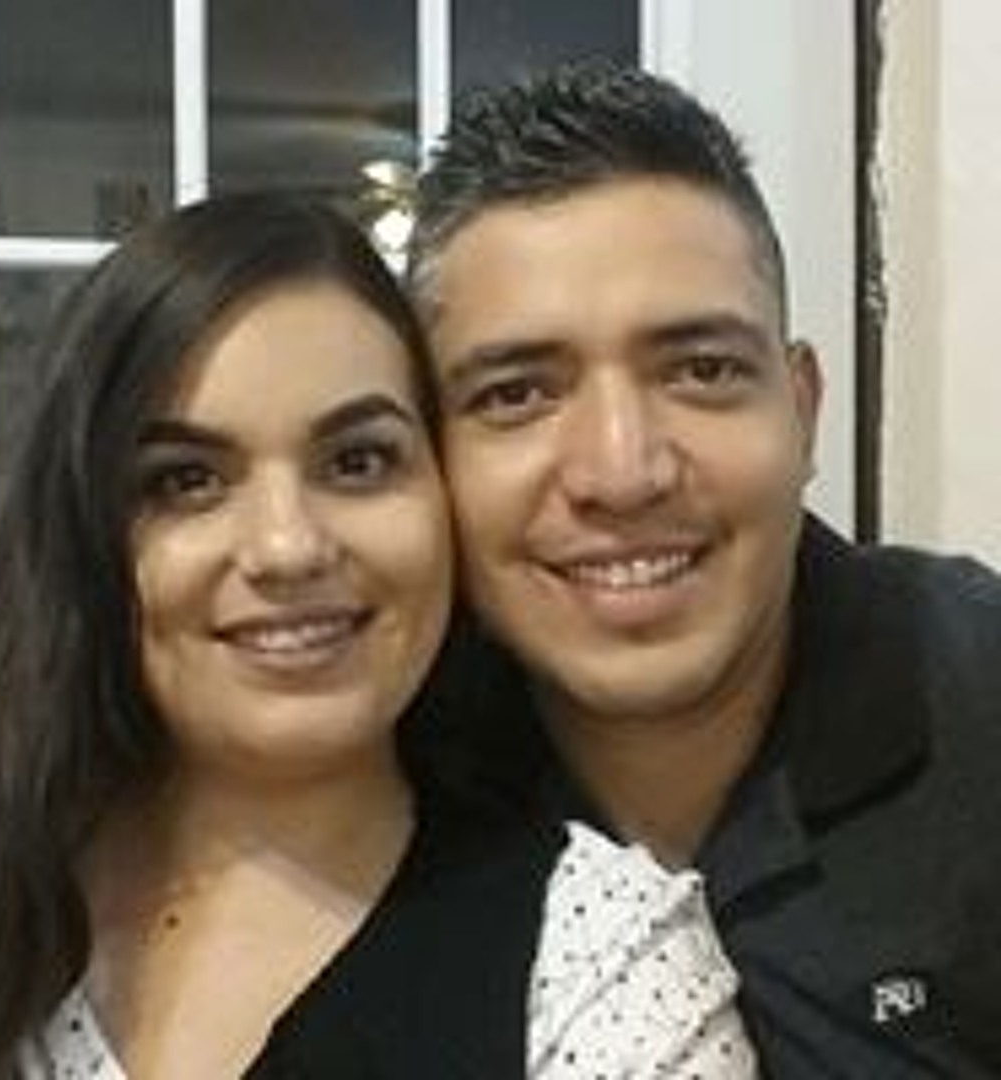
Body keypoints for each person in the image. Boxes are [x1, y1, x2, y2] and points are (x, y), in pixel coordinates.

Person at [409, 59, 1001, 1077]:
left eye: (701, 370)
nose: (621, 471)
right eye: (517, 394)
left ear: (802, 409)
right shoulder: (380, 773)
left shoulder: (979, 695)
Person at [0, 190, 499, 1079]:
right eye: (187, 480)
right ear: (84, 528)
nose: (287, 548)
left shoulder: (595, 960)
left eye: (357, 462)